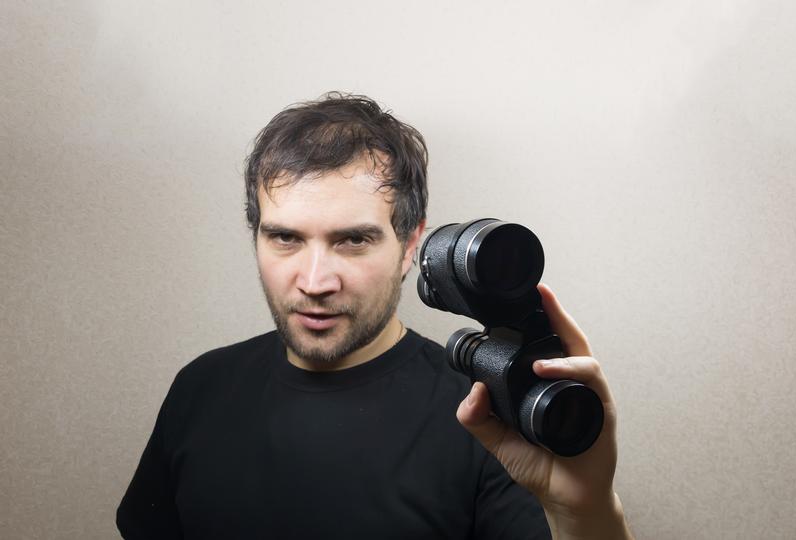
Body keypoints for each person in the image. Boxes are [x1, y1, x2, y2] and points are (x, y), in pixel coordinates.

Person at [117, 92, 634, 539]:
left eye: (353, 240)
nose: (315, 281)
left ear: (411, 245)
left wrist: (584, 513)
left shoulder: (485, 415)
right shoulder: (200, 388)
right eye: (285, 238)